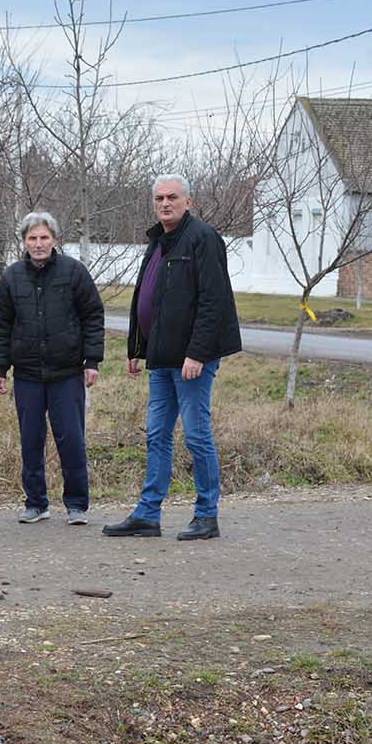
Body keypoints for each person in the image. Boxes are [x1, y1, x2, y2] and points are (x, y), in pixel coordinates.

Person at [103, 175, 242, 541]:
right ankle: (148, 515)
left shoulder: (203, 238)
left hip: (192, 361)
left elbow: (214, 301)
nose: (165, 203)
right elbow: (146, 298)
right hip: (161, 359)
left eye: (173, 198)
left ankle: (207, 516)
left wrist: (197, 353)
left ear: (188, 201)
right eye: (159, 198)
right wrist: (137, 348)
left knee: (196, 436)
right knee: (156, 436)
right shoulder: (159, 241)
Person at [0, 212, 104, 525]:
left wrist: (92, 361)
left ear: (54, 240)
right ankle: (36, 503)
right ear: (24, 242)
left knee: (70, 438)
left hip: (67, 373)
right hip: (26, 374)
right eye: (32, 239)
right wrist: (0, 368)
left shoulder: (74, 272)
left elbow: (92, 316)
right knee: (31, 440)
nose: (38, 244)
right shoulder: (12, 276)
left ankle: (77, 504)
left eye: (43, 238)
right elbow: (1, 326)